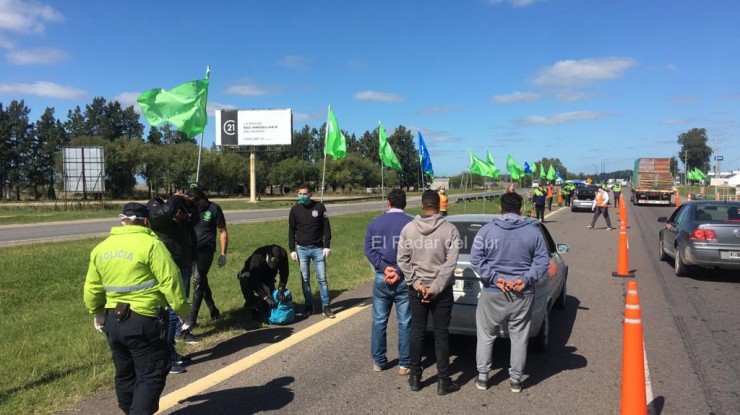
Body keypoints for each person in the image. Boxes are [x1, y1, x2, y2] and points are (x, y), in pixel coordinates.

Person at [84, 203, 191, 415]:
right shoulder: (152, 245)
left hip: (113, 321)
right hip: (143, 320)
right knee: (152, 372)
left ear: (122, 220)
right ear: (145, 221)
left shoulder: (102, 248)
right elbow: (171, 281)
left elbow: (92, 288)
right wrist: (183, 312)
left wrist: (96, 313)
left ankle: (129, 409)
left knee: (125, 372)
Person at [469, 192, 549, 393]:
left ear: (500, 208)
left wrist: (495, 278)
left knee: (486, 335)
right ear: (520, 210)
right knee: (519, 337)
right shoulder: (533, 233)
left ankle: (483, 377)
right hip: (522, 293)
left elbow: (476, 259)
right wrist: (524, 279)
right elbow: (542, 261)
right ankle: (515, 380)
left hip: (492, 291)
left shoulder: (486, 231)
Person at [397, 190, 461, 395]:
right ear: (440, 205)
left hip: (417, 289)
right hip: (441, 290)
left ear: (422, 205)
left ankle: (415, 377)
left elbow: (402, 260)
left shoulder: (408, 229)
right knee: (441, 334)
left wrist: (417, 284)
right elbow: (450, 264)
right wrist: (434, 289)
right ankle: (443, 380)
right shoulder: (450, 230)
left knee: (417, 331)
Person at [364, 189, 413, 375]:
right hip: (404, 277)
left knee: (379, 320)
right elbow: (414, 251)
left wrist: (384, 268)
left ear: (388, 203)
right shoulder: (412, 223)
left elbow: (369, 249)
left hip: (382, 277)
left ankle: (378, 361)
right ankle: (405, 363)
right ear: (405, 204)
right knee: (405, 322)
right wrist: (399, 270)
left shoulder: (376, 222)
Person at [148, 193, 199, 373]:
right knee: (170, 313)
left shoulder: (176, 218)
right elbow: (166, 211)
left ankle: (172, 350)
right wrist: (177, 198)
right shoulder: (155, 211)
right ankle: (166, 356)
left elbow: (195, 218)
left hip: (183, 266)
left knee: (176, 312)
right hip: (170, 270)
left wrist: (189, 203)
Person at [185, 186, 228, 333]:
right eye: (191, 200)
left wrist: (223, 254)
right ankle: (213, 310)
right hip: (190, 250)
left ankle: (192, 319)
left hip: (206, 250)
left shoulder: (214, 209)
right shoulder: (189, 209)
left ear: (203, 197)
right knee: (202, 281)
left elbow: (222, 231)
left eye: (197, 200)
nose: (195, 203)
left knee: (197, 281)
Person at [288, 184, 335, 318]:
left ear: (310, 194)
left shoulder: (319, 207)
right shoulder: (294, 210)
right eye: (300, 193)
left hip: (318, 248)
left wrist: (327, 245)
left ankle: (326, 306)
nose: (302, 196)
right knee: (305, 279)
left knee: (322, 278)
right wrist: (292, 249)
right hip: (302, 249)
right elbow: (291, 230)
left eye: (304, 194)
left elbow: (326, 227)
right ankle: (309, 305)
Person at [237, 244, 289, 326]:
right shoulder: (257, 257)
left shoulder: (282, 254)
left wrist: (281, 289)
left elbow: (284, 273)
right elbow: (254, 281)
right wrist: (265, 297)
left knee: (269, 305)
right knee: (245, 279)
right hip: (251, 273)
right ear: (268, 256)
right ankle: (251, 302)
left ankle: (260, 303)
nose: (273, 266)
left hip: (267, 277)